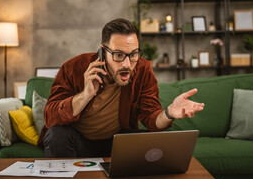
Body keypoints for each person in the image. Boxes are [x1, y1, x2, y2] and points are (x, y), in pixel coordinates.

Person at [38, 18, 204, 158]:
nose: (127, 64)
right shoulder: (74, 67)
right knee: (56, 136)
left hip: (117, 142)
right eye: (118, 55)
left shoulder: (142, 69)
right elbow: (50, 118)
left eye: (133, 54)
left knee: (153, 140)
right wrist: (85, 95)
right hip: (78, 141)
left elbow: (151, 119)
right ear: (103, 52)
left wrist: (169, 112)